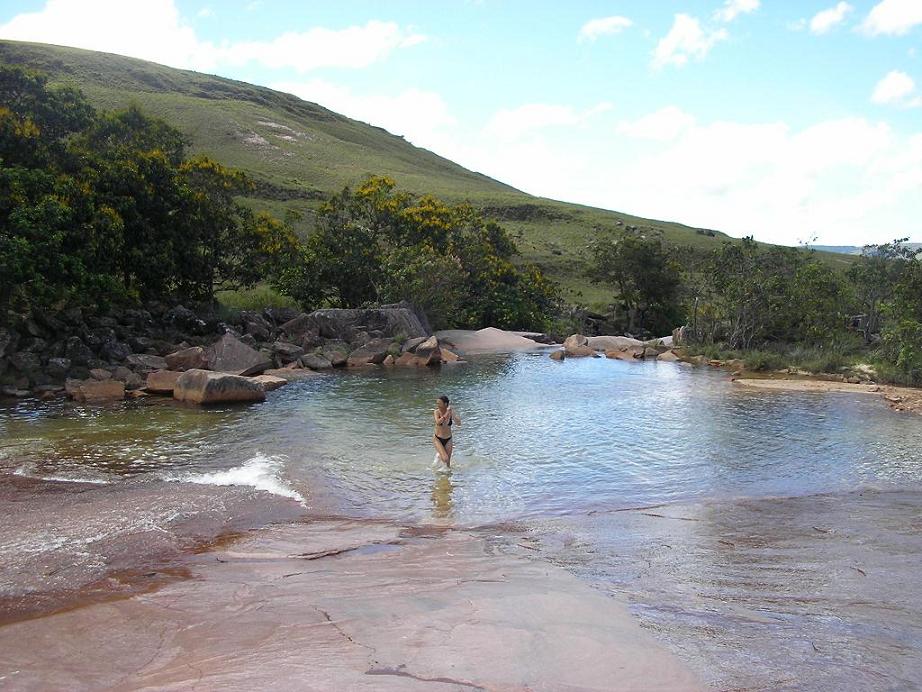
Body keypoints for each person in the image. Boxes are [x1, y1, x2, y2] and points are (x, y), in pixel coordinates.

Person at [433, 395, 460, 467]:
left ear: (445, 404)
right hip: (438, 439)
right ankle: (439, 456)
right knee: (445, 459)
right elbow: (438, 422)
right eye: (437, 403)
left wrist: (452, 414)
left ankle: (448, 474)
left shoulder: (450, 412)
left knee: (448, 464)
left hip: (448, 439)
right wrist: (446, 414)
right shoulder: (436, 412)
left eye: (439, 403)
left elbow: (459, 424)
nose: (437, 405)